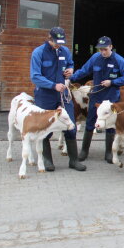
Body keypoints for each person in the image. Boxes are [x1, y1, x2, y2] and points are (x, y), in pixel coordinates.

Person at [29, 27, 86, 173]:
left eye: (61, 42)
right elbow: (35, 76)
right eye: (56, 42)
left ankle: (74, 160)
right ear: (49, 38)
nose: (58, 45)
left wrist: (70, 70)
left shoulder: (64, 51)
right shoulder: (38, 53)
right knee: (45, 128)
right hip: (45, 95)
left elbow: (70, 63)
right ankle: (47, 160)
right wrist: (53, 85)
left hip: (63, 95)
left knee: (70, 125)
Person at [71, 36, 124, 164]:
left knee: (110, 124)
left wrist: (113, 82)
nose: (102, 52)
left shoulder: (119, 60)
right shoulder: (95, 58)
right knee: (90, 122)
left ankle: (109, 153)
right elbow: (84, 70)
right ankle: (84, 151)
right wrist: (71, 78)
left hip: (111, 97)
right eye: (100, 49)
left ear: (111, 47)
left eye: (105, 49)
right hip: (96, 96)